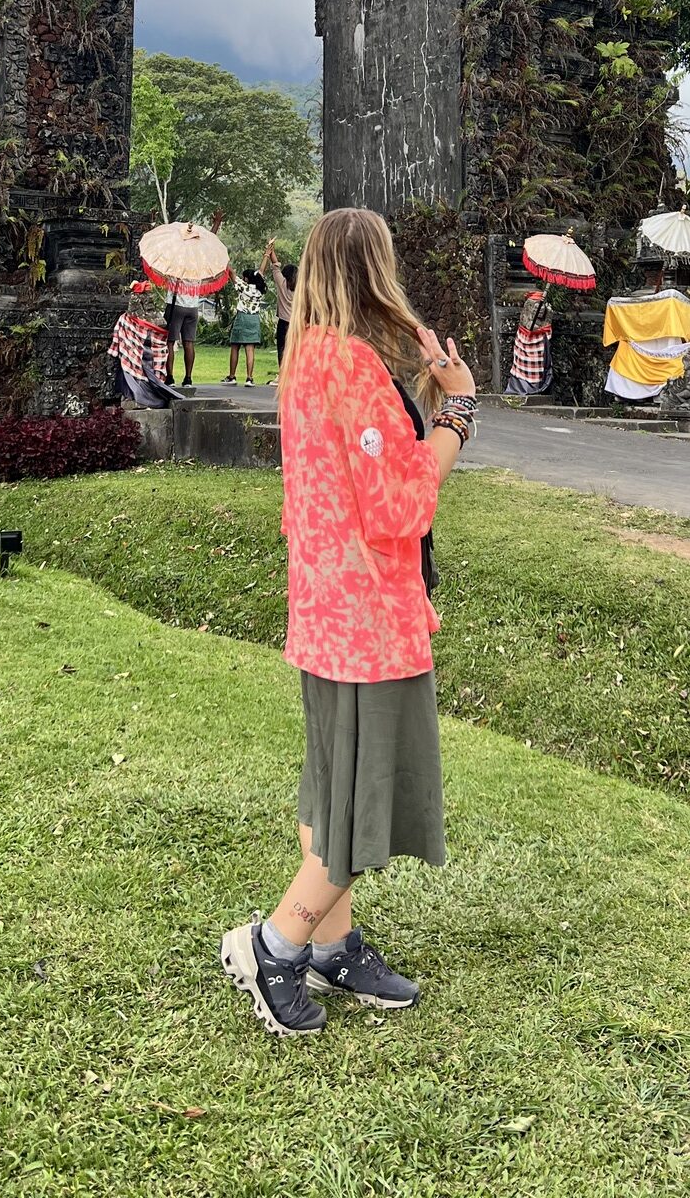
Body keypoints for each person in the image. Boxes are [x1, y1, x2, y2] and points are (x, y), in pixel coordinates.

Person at [220, 207, 478, 1037]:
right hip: (367, 619)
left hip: (325, 607)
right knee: (363, 803)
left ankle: (333, 943)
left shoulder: (305, 356)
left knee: (330, 784)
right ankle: (275, 944)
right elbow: (398, 505)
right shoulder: (353, 369)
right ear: (374, 271)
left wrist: (425, 396)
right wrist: (456, 419)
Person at [108, 281, 181, 408]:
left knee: (138, 371)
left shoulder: (134, 302)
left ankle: (140, 397)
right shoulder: (149, 301)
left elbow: (134, 313)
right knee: (146, 371)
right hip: (149, 337)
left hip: (142, 338)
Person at [226, 269, 266, 388]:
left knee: (235, 347)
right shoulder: (260, 289)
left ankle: (232, 376)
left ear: (247, 279)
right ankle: (249, 378)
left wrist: (224, 260)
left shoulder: (244, 287)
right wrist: (266, 256)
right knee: (250, 350)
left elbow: (232, 273)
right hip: (254, 319)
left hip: (242, 318)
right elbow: (261, 272)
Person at [263, 240, 296, 369]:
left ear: (285, 274)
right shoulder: (301, 288)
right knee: (294, 349)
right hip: (296, 323)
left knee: (282, 348)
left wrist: (271, 250)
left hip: (283, 322)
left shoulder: (282, 284)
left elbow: (275, 265)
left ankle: (283, 374)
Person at [163, 285, 200, 388]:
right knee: (189, 343)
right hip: (193, 308)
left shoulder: (175, 270)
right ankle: (188, 378)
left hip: (176, 306)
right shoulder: (197, 273)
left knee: (170, 342)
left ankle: (169, 377)